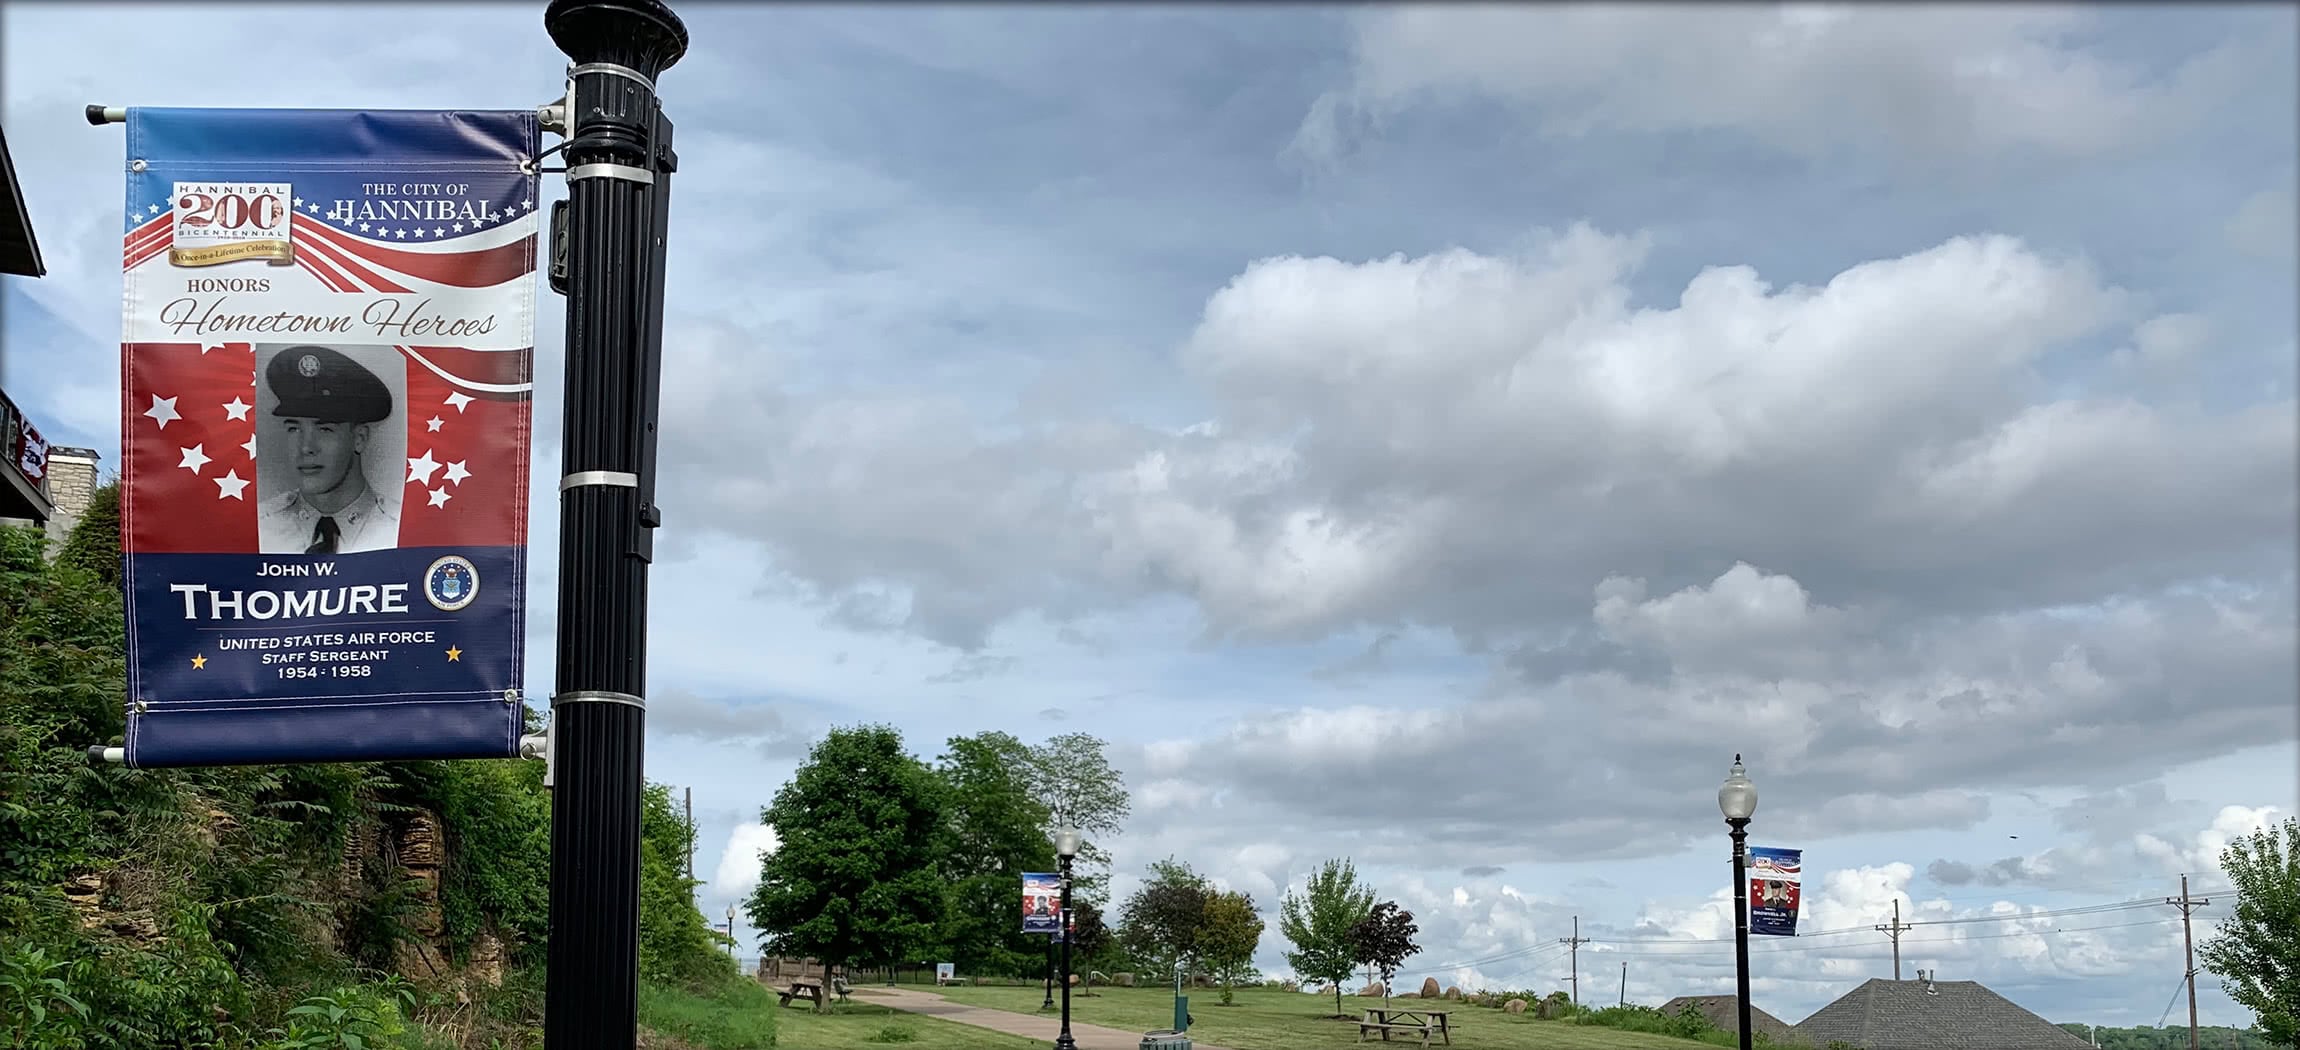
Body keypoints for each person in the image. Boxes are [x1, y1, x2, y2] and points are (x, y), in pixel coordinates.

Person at [257, 345, 399, 554]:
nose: (306, 447)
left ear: (359, 438)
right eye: (294, 428)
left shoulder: (399, 525)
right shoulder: (261, 525)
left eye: (325, 429)